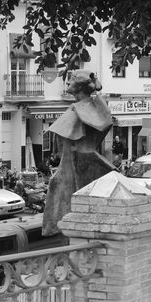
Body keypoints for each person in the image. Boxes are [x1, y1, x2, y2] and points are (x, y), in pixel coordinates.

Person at [43, 69, 115, 236]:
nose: (67, 83)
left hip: (79, 161)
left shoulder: (81, 109)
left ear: (79, 86)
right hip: (76, 161)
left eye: (70, 80)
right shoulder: (88, 108)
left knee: (69, 201)